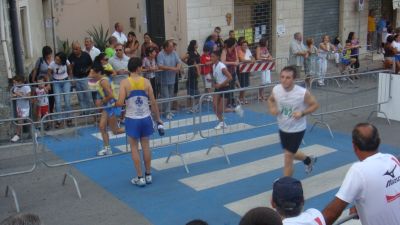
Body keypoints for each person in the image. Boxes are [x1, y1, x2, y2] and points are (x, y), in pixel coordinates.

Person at [322, 123, 400, 225]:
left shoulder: (358, 171)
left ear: (354, 146)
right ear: (379, 142)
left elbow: (332, 213)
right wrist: (361, 204)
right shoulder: (392, 159)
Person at [115, 57, 162, 187]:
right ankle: (148, 175)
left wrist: (111, 104)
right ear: (137, 68)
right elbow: (153, 102)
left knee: (134, 148)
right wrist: (158, 119)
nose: (142, 68)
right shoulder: (146, 82)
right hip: (146, 118)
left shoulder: (125, 82)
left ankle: (140, 177)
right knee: (146, 146)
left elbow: (120, 102)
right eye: (141, 66)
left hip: (132, 119)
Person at [267, 66, 319, 176]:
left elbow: (315, 105)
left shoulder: (302, 93)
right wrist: (272, 108)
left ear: (294, 79)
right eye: (282, 77)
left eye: (288, 78)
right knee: (292, 153)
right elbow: (271, 100)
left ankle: (286, 187)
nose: (284, 80)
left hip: (297, 129)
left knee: (288, 157)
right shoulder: (276, 89)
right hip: (283, 127)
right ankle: (308, 160)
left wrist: (302, 113)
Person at [88, 58, 124, 156]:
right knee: (102, 127)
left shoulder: (103, 81)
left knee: (115, 131)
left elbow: (111, 95)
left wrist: (102, 101)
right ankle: (107, 149)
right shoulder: (101, 80)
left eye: (91, 72)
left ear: (98, 72)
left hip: (111, 106)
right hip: (107, 106)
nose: (90, 74)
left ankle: (136, 128)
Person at [157, 40, 182, 120]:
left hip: (172, 78)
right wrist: (172, 68)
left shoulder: (174, 53)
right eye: (171, 46)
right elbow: (160, 66)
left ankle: (169, 110)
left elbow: (179, 61)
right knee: (166, 96)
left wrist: (178, 67)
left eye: (172, 46)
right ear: (166, 47)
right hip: (163, 79)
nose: (172, 48)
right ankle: (166, 112)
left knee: (171, 95)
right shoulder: (160, 54)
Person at [47, 52, 72, 128]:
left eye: (58, 59)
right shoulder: (52, 64)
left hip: (66, 81)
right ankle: (59, 120)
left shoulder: (66, 62)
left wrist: (70, 77)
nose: (56, 60)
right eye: (55, 59)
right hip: (56, 83)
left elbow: (70, 69)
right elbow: (48, 73)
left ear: (62, 60)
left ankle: (69, 118)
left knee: (67, 100)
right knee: (57, 102)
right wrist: (51, 81)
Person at [68, 41, 93, 113]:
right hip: (76, 78)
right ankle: (83, 111)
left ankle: (90, 111)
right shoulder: (71, 56)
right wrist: (72, 78)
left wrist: (87, 70)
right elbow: (70, 69)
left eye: (76, 49)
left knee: (88, 95)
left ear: (80, 48)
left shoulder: (86, 55)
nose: (74, 51)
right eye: (73, 49)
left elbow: (91, 64)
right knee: (80, 96)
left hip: (85, 78)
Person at [211, 50, 233, 129]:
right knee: (214, 106)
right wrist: (213, 82)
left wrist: (220, 84)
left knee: (221, 109)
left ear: (217, 57)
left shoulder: (222, 66)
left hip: (225, 88)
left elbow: (230, 77)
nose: (211, 58)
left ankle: (235, 110)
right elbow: (216, 77)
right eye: (211, 56)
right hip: (218, 88)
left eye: (213, 56)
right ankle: (221, 122)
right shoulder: (213, 66)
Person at [182, 40, 201, 113]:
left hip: (196, 71)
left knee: (195, 88)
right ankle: (190, 107)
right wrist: (189, 63)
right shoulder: (189, 53)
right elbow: (182, 58)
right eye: (196, 43)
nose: (198, 44)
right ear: (194, 45)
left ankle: (194, 107)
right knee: (191, 90)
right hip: (192, 72)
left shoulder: (197, 52)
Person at [10, 75, 31, 142]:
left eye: (15, 82)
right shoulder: (15, 88)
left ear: (20, 82)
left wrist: (19, 94)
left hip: (25, 107)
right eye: (13, 83)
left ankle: (18, 135)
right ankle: (33, 132)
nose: (14, 84)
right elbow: (15, 97)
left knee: (22, 120)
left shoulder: (26, 87)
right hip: (19, 106)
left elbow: (28, 98)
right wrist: (14, 96)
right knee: (24, 120)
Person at [221, 37, 240, 108]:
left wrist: (237, 62)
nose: (236, 44)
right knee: (227, 87)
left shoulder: (234, 50)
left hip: (233, 71)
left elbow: (237, 59)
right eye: (235, 43)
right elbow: (223, 61)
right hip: (226, 72)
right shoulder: (224, 51)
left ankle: (232, 101)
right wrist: (233, 63)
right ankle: (226, 102)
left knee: (232, 87)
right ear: (232, 44)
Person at [238, 40, 255, 104]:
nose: (245, 46)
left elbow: (252, 58)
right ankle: (240, 98)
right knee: (242, 84)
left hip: (247, 69)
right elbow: (242, 59)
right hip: (241, 70)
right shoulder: (239, 51)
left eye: (246, 45)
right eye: (243, 45)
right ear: (241, 46)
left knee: (246, 85)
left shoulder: (248, 51)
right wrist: (250, 61)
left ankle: (243, 97)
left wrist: (252, 60)